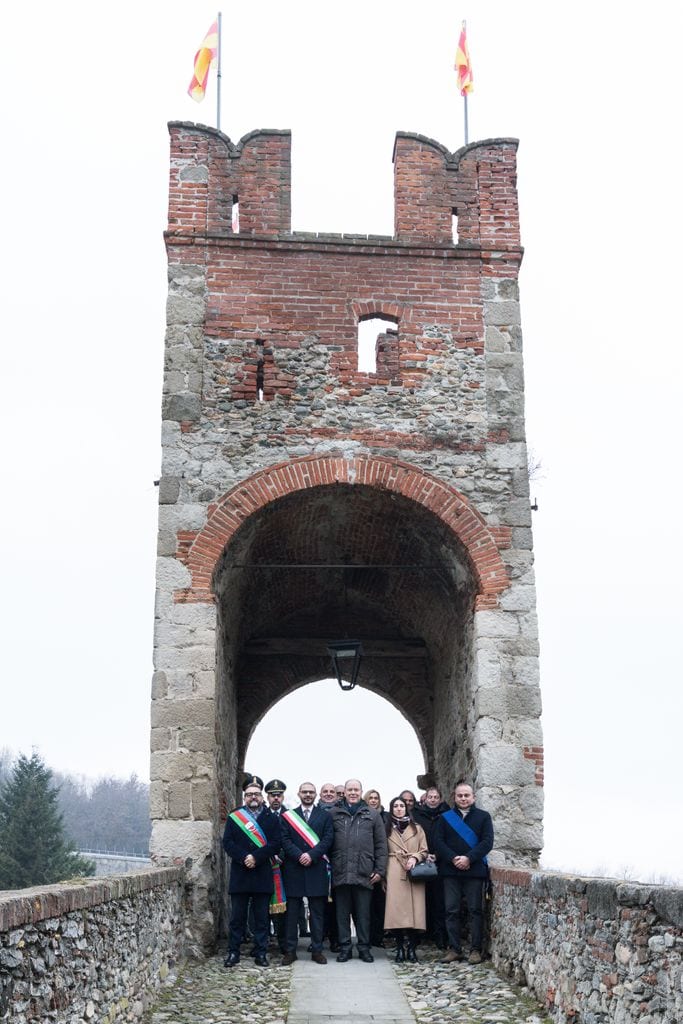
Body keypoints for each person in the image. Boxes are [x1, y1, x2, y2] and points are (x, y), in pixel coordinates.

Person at [222, 775, 282, 967]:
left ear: (262, 797)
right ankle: (233, 952)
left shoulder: (271, 818)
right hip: (240, 874)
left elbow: (275, 844)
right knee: (237, 918)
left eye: (256, 794)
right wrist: (243, 857)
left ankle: (261, 952)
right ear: (244, 797)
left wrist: (256, 857)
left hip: (262, 873)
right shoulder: (235, 817)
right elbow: (227, 842)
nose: (253, 797)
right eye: (249, 795)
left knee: (261, 919)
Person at [433, 779, 494, 965]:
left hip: (474, 870)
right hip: (451, 871)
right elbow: (438, 842)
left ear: (473, 797)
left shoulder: (484, 817)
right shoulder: (444, 818)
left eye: (467, 795)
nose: (463, 798)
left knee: (476, 911)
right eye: (460, 795)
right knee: (451, 910)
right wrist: (453, 859)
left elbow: (487, 842)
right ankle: (454, 949)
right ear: (454, 797)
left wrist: (469, 858)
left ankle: (475, 950)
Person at [330, 779, 388, 963]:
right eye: (350, 789)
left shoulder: (372, 815)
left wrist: (380, 870)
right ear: (344, 792)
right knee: (342, 915)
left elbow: (381, 845)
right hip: (341, 871)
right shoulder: (334, 814)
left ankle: (364, 947)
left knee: (364, 915)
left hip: (365, 872)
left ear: (360, 792)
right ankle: (345, 947)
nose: (353, 792)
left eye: (356, 789)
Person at [279, 782, 334, 965]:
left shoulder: (325, 816)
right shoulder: (288, 816)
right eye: (305, 792)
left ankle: (317, 950)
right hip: (293, 869)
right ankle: (290, 951)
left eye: (311, 792)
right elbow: (284, 840)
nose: (308, 795)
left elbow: (328, 839)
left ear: (316, 794)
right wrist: (299, 855)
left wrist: (311, 855)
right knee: (292, 914)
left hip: (316, 868)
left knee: (317, 914)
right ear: (299, 793)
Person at [383, 796, 428, 962]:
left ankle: (412, 948)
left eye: (402, 805)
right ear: (392, 808)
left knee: (414, 913)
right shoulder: (386, 828)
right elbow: (381, 851)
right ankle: (400, 948)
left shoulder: (417, 828)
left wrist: (415, 858)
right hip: (394, 870)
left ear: (406, 808)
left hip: (413, 872)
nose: (399, 808)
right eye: (396, 806)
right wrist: (383, 878)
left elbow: (424, 850)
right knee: (396, 913)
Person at [413, 785, 450, 947]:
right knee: (421, 899)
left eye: (436, 797)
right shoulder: (416, 815)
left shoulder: (448, 815)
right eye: (430, 797)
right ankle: (421, 934)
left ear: (440, 799)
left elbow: (449, 838)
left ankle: (440, 935)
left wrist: (438, 854)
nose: (433, 800)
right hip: (422, 860)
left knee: (440, 901)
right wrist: (423, 854)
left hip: (442, 862)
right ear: (425, 799)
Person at [264, 779, 289, 952]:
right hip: (265, 867)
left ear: (283, 797)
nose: (276, 798)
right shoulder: (261, 816)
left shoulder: (290, 816)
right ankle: (263, 942)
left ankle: (284, 942)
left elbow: (292, 840)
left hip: (286, 867)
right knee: (263, 906)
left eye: (278, 795)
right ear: (267, 797)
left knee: (284, 909)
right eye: (273, 795)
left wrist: (281, 856)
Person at [363, 789, 387, 946]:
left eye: (376, 798)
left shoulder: (386, 817)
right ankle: (367, 937)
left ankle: (378, 937)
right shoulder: (362, 816)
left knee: (380, 904)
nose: (373, 800)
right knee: (367, 906)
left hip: (381, 864)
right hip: (365, 866)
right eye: (370, 798)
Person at [318, 782, 340, 952]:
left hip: (337, 863)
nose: (328, 794)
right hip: (317, 862)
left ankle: (335, 939)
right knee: (317, 904)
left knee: (336, 906)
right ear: (320, 794)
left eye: (331, 792)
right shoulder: (315, 812)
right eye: (325, 791)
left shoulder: (341, 812)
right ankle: (318, 938)